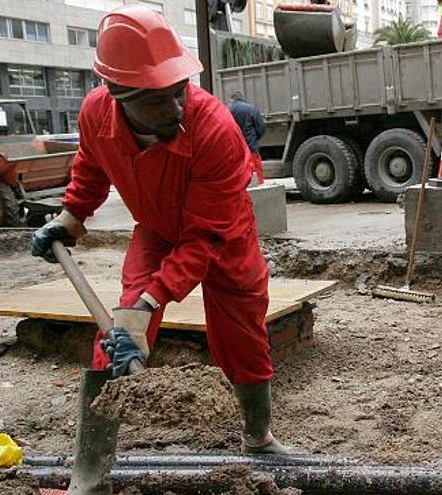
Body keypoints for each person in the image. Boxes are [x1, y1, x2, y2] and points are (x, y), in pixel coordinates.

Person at [29, 6, 288, 494]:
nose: (175, 109)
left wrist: (153, 300)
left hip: (221, 233)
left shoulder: (214, 127)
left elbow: (204, 237)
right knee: (117, 337)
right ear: (117, 96)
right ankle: (91, 469)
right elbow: (91, 165)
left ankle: (259, 438)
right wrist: (71, 217)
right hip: (154, 229)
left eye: (178, 92)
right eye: (157, 100)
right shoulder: (95, 115)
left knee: (242, 330)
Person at [229, 91, 267, 185]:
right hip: (250, 147)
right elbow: (261, 128)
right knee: (256, 172)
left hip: (234, 149)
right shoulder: (251, 108)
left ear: (232, 99)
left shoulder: (227, 109)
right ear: (242, 98)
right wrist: (254, 138)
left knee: (237, 175)